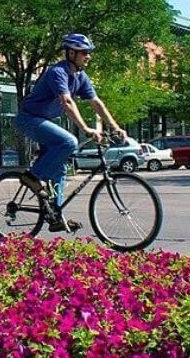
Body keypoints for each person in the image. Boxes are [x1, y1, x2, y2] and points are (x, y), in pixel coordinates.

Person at [15, 33, 128, 232]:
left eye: (89, 53)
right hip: (29, 119)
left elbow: (96, 103)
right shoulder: (57, 72)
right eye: (85, 52)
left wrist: (115, 126)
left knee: (60, 170)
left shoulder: (80, 76)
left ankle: (55, 216)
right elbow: (66, 102)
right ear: (72, 52)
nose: (88, 56)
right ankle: (32, 177)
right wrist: (85, 128)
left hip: (45, 120)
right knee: (69, 142)